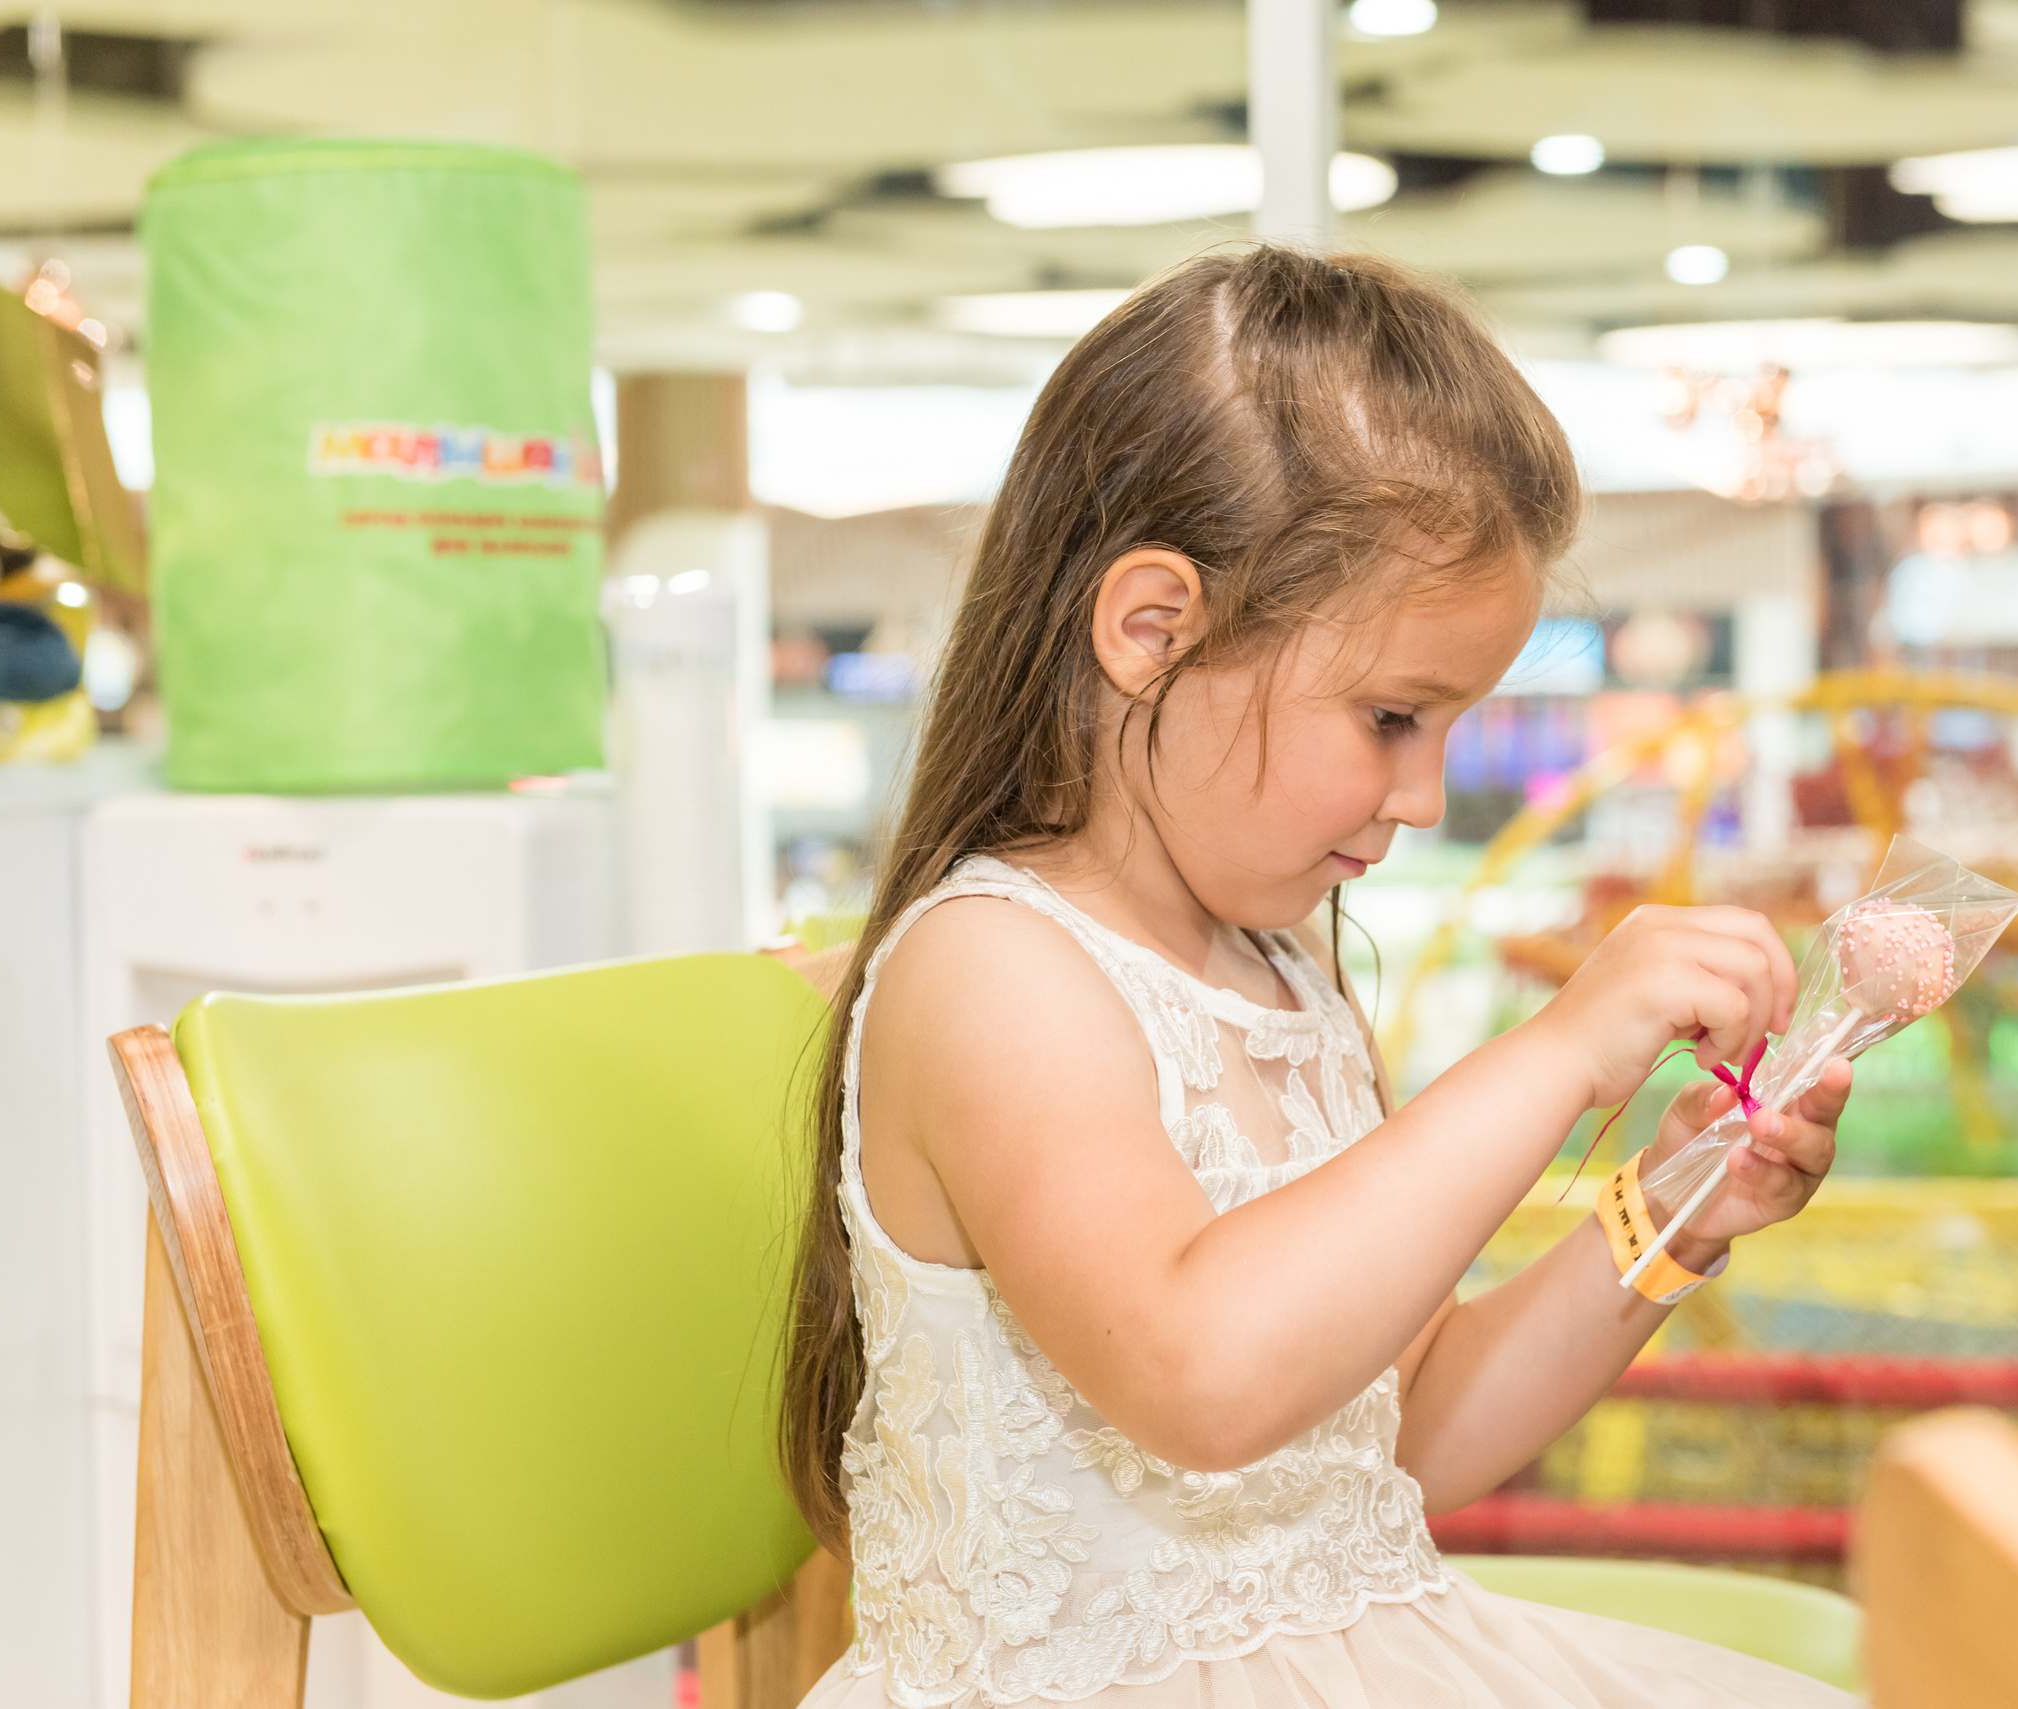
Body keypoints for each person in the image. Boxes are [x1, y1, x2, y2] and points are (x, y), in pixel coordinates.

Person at [780, 246, 1857, 1709]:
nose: (1424, 795)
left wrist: (1673, 1209)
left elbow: (1406, 1431)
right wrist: (1558, 1050)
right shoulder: (994, 970)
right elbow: (1202, 1374)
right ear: (1153, 631)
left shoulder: (1292, 976)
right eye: (1394, 717)